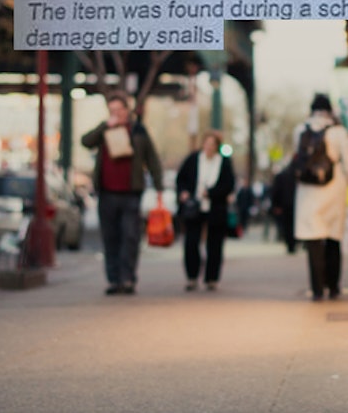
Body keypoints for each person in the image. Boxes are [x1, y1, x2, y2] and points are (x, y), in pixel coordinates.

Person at [81, 92, 164, 295]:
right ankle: (114, 280)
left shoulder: (138, 130)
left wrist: (159, 187)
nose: (116, 114)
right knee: (110, 238)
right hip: (107, 192)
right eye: (112, 111)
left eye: (119, 110)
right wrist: (104, 126)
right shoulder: (104, 130)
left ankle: (128, 279)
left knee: (130, 236)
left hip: (131, 193)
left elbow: (152, 159)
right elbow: (85, 141)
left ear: (127, 110)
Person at [293, 94, 348, 301]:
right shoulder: (339, 132)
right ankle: (333, 286)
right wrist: (346, 183)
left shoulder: (300, 130)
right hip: (334, 188)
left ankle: (317, 289)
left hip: (307, 192)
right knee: (333, 238)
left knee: (313, 240)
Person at [175, 130, 235, 291]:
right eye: (206, 144)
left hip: (215, 207)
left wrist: (212, 192)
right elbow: (181, 179)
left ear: (217, 147)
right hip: (194, 207)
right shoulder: (193, 159)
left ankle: (211, 278)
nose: (209, 147)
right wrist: (184, 192)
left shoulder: (224, 162)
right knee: (191, 242)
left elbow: (229, 184)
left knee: (215, 244)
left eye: (212, 145)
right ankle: (192, 276)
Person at [269, 160, 297, 254]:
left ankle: (290, 245)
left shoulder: (281, 176)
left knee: (287, 226)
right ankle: (292, 244)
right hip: (295, 205)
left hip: (284, 205)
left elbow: (275, 192)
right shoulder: (296, 176)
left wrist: (276, 205)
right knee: (293, 225)